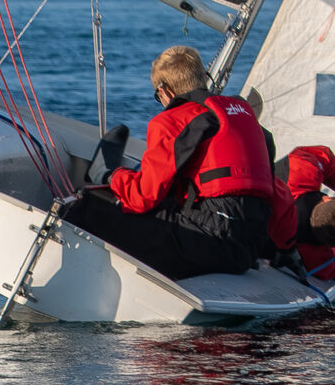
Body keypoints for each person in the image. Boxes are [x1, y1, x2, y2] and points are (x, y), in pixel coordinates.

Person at [63, 45, 277, 281]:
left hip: (208, 241)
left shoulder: (174, 121)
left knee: (88, 205)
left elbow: (143, 197)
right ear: (203, 78)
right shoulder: (249, 122)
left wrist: (113, 176)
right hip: (249, 247)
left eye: (158, 96)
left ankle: (74, 284)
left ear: (164, 91)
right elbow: (278, 194)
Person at [267, 142, 335, 281]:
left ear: (328, 199)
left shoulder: (299, 177)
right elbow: (334, 266)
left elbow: (317, 155)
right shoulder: (315, 256)